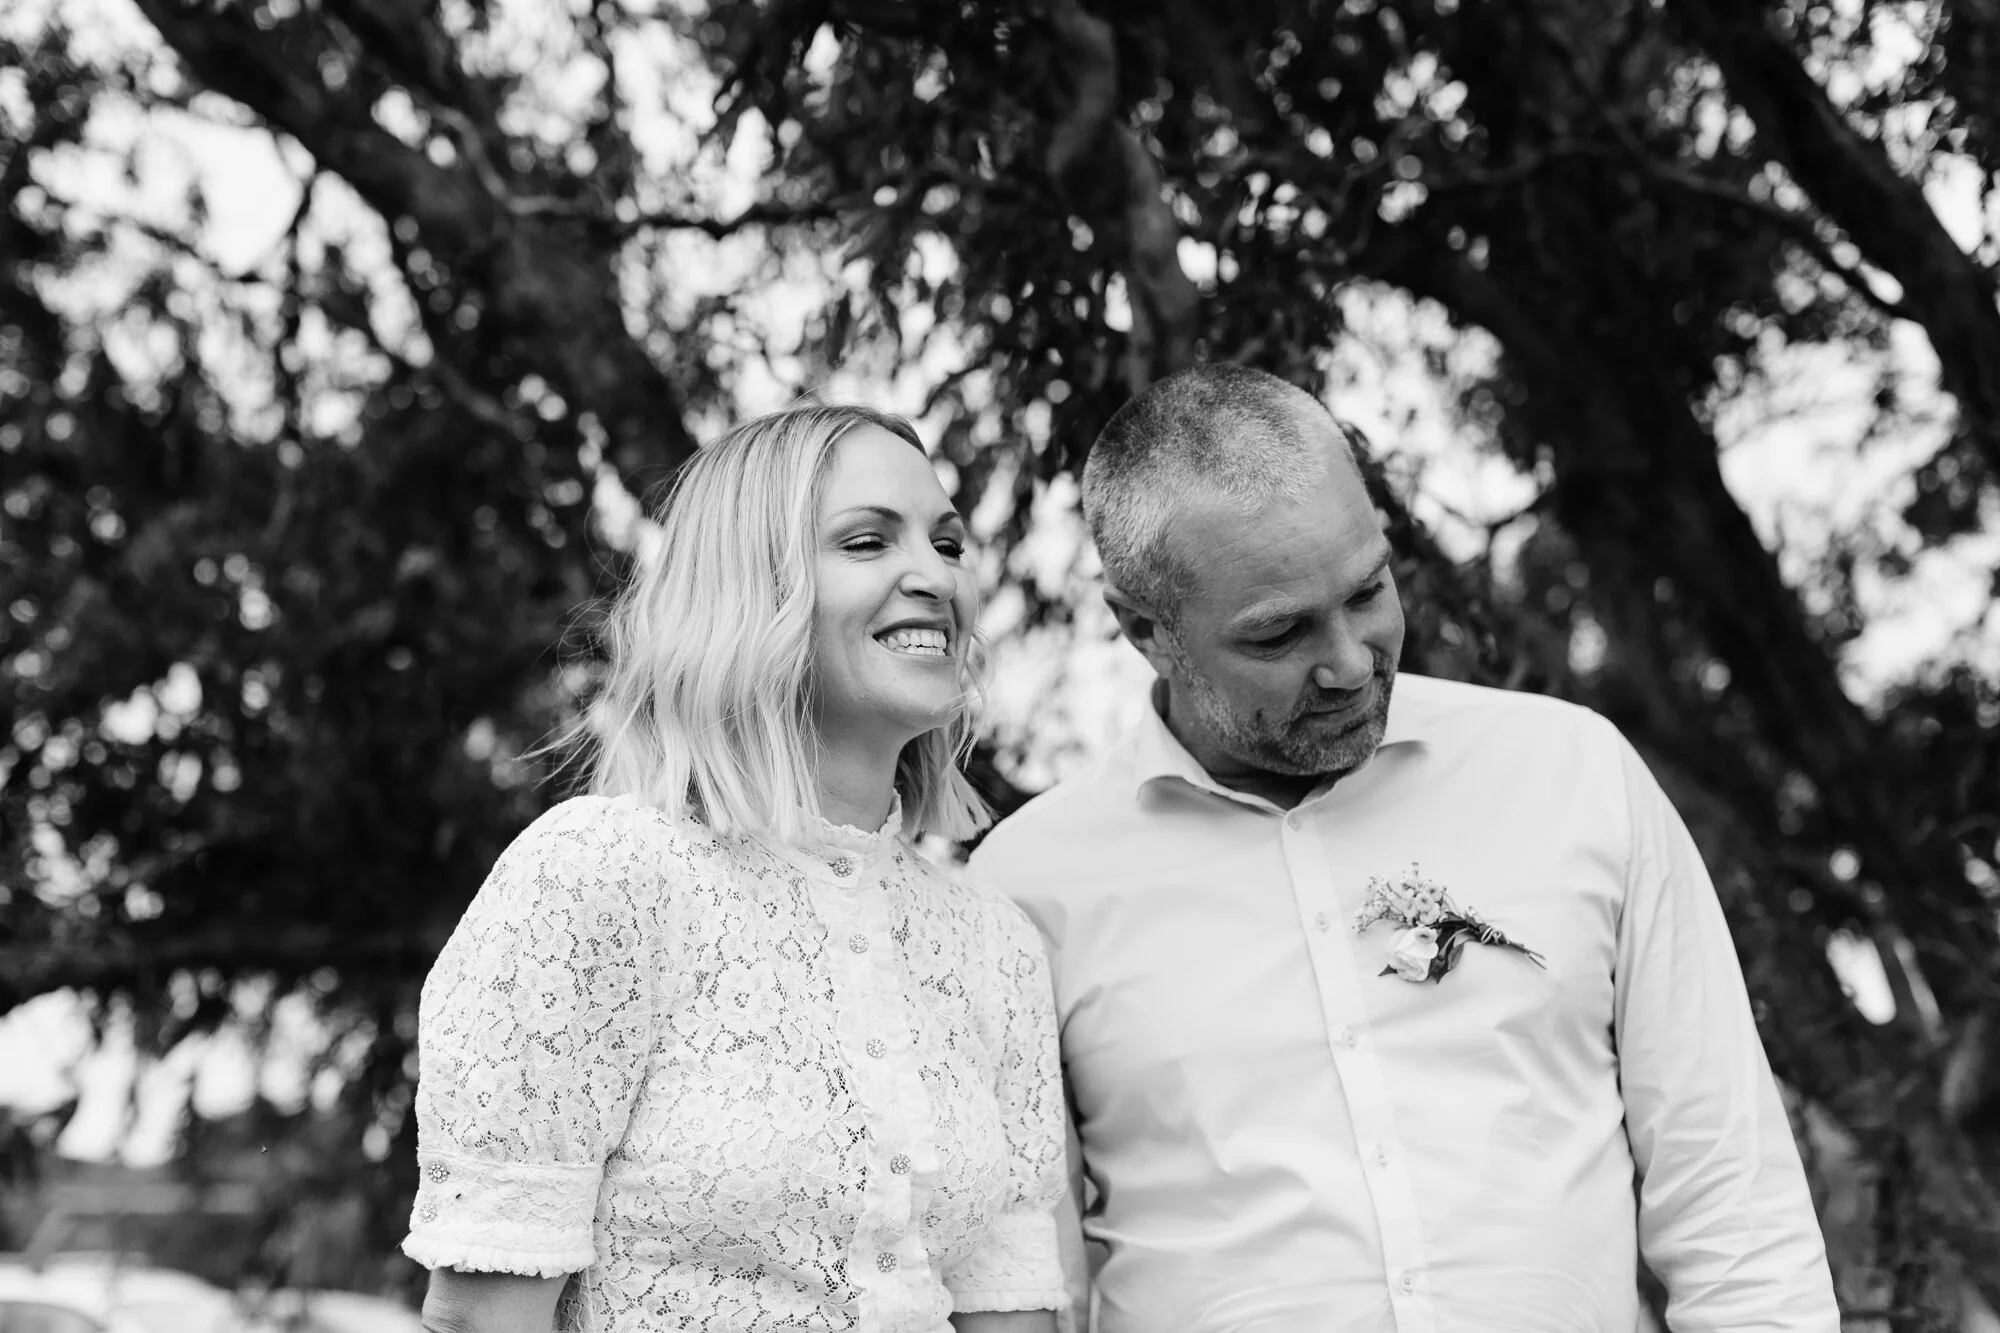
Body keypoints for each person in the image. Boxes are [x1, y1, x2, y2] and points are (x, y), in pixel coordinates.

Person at [969, 364, 1840, 1333]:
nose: (1349, 662)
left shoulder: (1571, 773)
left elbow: (1733, 1203)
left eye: (1368, 591)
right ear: (1145, 628)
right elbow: (1020, 1280)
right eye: (1279, 634)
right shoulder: (1026, 888)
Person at [403, 404, 1068, 1333]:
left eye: (948, 543)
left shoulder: (993, 942)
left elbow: (1011, 1312)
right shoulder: (599, 875)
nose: (936, 576)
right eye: (868, 541)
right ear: (750, 589)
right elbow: (483, 1318)